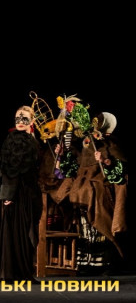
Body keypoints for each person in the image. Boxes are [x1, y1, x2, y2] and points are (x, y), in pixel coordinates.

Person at [54, 111, 128, 274]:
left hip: (99, 194)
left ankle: (101, 263)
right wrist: (62, 155)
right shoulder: (86, 146)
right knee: (84, 228)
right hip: (80, 194)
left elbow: (119, 174)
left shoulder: (111, 145)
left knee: (98, 226)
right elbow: (72, 169)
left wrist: (105, 161)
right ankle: (85, 262)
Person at [0, 105, 42, 282]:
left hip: (29, 192)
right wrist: (8, 195)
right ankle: (15, 273)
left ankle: (23, 272)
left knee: (26, 232)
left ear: (32, 121)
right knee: (18, 233)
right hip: (17, 194)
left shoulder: (31, 139)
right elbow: (9, 169)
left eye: (24, 119)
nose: (20, 122)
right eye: (17, 119)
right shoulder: (14, 139)